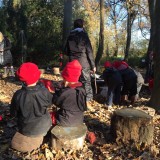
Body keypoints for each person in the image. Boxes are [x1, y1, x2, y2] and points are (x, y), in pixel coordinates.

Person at [10, 62, 52, 152]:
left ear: (22, 79)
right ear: (37, 76)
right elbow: (49, 104)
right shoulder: (44, 91)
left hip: (27, 129)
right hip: (45, 125)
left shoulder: (18, 95)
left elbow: (13, 113)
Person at [65, 19, 96, 107]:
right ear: (82, 25)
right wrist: (93, 65)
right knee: (86, 82)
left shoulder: (70, 35)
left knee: (74, 81)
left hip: (72, 63)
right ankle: (87, 102)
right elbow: (89, 51)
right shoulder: (84, 35)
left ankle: (75, 100)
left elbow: (66, 51)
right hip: (83, 63)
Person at [52, 60, 87, 127]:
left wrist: (58, 90)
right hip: (79, 120)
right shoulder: (82, 90)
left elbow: (55, 101)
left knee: (51, 116)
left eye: (64, 78)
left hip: (65, 121)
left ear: (66, 79)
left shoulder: (65, 93)